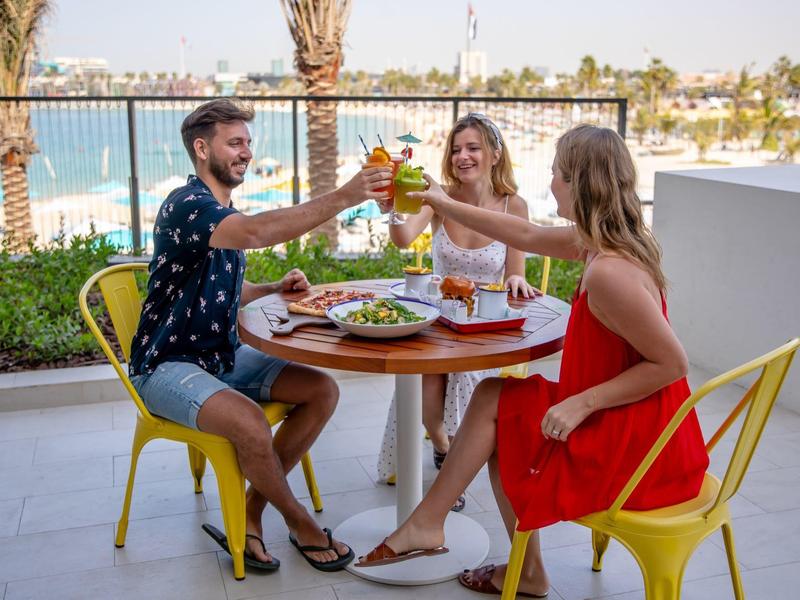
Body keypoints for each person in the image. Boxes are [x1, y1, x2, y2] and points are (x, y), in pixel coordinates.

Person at [356, 124, 709, 597]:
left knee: (500, 417)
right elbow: (521, 231)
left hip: (638, 448)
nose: (550, 184)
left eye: (557, 174)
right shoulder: (598, 243)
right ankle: (438, 526)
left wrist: (581, 404)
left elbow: (672, 364)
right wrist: (440, 201)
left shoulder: (608, 271)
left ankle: (458, 537)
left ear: (580, 183)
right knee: (495, 399)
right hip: (636, 423)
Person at [128, 99, 392, 573]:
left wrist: (271, 289)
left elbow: (220, 284)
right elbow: (253, 234)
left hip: (220, 358)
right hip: (166, 365)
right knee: (251, 421)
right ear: (202, 147)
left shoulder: (221, 211)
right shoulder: (187, 204)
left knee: (321, 390)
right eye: (235, 142)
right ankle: (299, 522)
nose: (246, 152)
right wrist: (346, 195)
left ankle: (250, 511)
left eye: (248, 142)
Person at [377, 114, 536, 512]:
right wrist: (395, 205)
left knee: (461, 371)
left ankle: (452, 467)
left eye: (473, 148)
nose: (462, 156)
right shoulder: (439, 198)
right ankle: (446, 448)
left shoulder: (514, 205)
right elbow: (402, 238)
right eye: (456, 148)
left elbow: (515, 272)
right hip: (437, 317)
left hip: (484, 323)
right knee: (425, 379)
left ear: (495, 154)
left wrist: (516, 282)